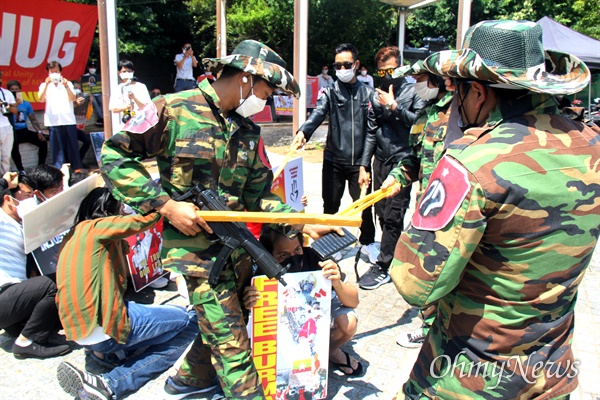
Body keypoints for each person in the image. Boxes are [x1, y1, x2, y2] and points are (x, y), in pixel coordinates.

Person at [101, 39, 340, 399]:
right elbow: (114, 156)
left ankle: (187, 380)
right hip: (197, 256)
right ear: (246, 78)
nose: (267, 99)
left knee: (224, 324)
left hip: (239, 251)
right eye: (266, 89)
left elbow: (259, 198)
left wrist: (301, 222)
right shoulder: (173, 109)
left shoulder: (247, 131)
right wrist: (166, 206)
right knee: (234, 351)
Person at [387, 20, 600, 398]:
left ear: (479, 94)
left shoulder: (473, 161)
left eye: (459, 94)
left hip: (469, 376)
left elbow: (414, 282)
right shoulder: (592, 144)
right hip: (551, 373)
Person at [55, 187, 198, 400]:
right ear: (108, 210)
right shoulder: (97, 226)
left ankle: (109, 355)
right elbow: (141, 223)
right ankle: (111, 384)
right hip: (103, 325)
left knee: (165, 327)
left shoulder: (73, 236)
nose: (125, 212)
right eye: (121, 207)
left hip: (78, 327)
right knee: (189, 323)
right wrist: (170, 208)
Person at [376, 60, 452, 348]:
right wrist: (398, 177)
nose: (416, 84)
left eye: (420, 78)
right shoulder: (428, 112)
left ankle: (439, 329)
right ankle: (430, 324)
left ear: (437, 79)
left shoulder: (460, 112)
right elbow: (415, 157)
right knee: (430, 267)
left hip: (454, 209)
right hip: (428, 206)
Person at [243, 226, 362, 376]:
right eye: (283, 255)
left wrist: (337, 283)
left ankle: (330, 351)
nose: (293, 257)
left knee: (348, 322)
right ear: (269, 256)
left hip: (315, 312)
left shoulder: (317, 259)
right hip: (280, 317)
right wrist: (249, 304)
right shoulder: (259, 272)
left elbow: (353, 301)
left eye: (297, 250)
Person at [356, 47, 427, 291]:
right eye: (382, 71)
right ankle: (392, 251)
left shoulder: (414, 91)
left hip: (403, 161)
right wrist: (364, 164)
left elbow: (418, 123)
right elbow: (371, 132)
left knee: (394, 215)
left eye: (391, 70)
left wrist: (394, 105)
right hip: (381, 161)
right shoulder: (374, 96)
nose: (387, 75)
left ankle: (384, 265)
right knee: (381, 211)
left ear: (401, 67)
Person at [293, 43, 376, 247]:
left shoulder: (368, 94)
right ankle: (330, 245)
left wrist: (365, 164)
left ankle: (368, 244)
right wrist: (303, 132)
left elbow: (372, 131)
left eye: (346, 65)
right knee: (330, 206)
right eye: (337, 66)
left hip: (360, 164)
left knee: (363, 207)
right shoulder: (330, 92)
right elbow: (317, 114)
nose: (342, 70)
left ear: (356, 64)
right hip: (333, 162)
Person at [0, 171, 71, 359]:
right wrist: (4, 182)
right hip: (4, 296)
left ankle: (26, 333)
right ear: (8, 199)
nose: (28, 203)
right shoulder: (2, 221)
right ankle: (28, 341)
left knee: (55, 310)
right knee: (57, 282)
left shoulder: (22, 227)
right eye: (25, 197)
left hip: (15, 298)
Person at [38, 61, 83, 171]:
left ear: (60, 72)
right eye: (51, 72)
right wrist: (47, 84)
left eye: (56, 71)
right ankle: (60, 170)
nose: (54, 74)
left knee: (72, 146)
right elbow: (40, 98)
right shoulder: (44, 85)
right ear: (48, 73)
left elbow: (72, 98)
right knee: (57, 149)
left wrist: (66, 85)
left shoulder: (68, 84)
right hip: (53, 121)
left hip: (68, 120)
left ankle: (76, 169)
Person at [7, 80, 47, 171]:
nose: (15, 91)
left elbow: (33, 119)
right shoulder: (7, 105)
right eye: (12, 90)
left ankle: (41, 167)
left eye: (17, 89)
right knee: (14, 147)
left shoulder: (26, 104)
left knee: (43, 142)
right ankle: (21, 170)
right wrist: (16, 103)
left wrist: (39, 131)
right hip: (13, 131)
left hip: (24, 130)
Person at [108, 60, 151, 130]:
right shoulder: (117, 89)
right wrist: (126, 107)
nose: (127, 73)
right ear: (119, 73)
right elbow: (113, 109)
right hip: (123, 126)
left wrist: (134, 98)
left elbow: (147, 106)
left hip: (140, 125)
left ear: (133, 72)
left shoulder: (141, 87)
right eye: (124, 71)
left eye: (129, 71)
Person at [0, 70, 17, 175]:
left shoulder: (6, 93)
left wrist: (7, 107)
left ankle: (5, 180)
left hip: (6, 127)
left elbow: (15, 110)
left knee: (6, 156)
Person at [71, 80, 92, 162]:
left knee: (87, 141)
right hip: (68, 126)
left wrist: (90, 102)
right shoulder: (67, 100)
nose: (77, 90)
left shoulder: (83, 99)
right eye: (75, 88)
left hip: (78, 127)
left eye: (79, 88)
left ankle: (79, 161)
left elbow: (88, 116)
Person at [80, 60, 104, 126]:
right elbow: (83, 86)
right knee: (94, 102)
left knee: (102, 101)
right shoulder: (85, 77)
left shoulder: (98, 77)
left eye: (94, 67)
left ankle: (103, 117)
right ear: (88, 68)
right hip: (89, 94)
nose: (92, 69)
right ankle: (101, 118)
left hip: (98, 93)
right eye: (91, 67)